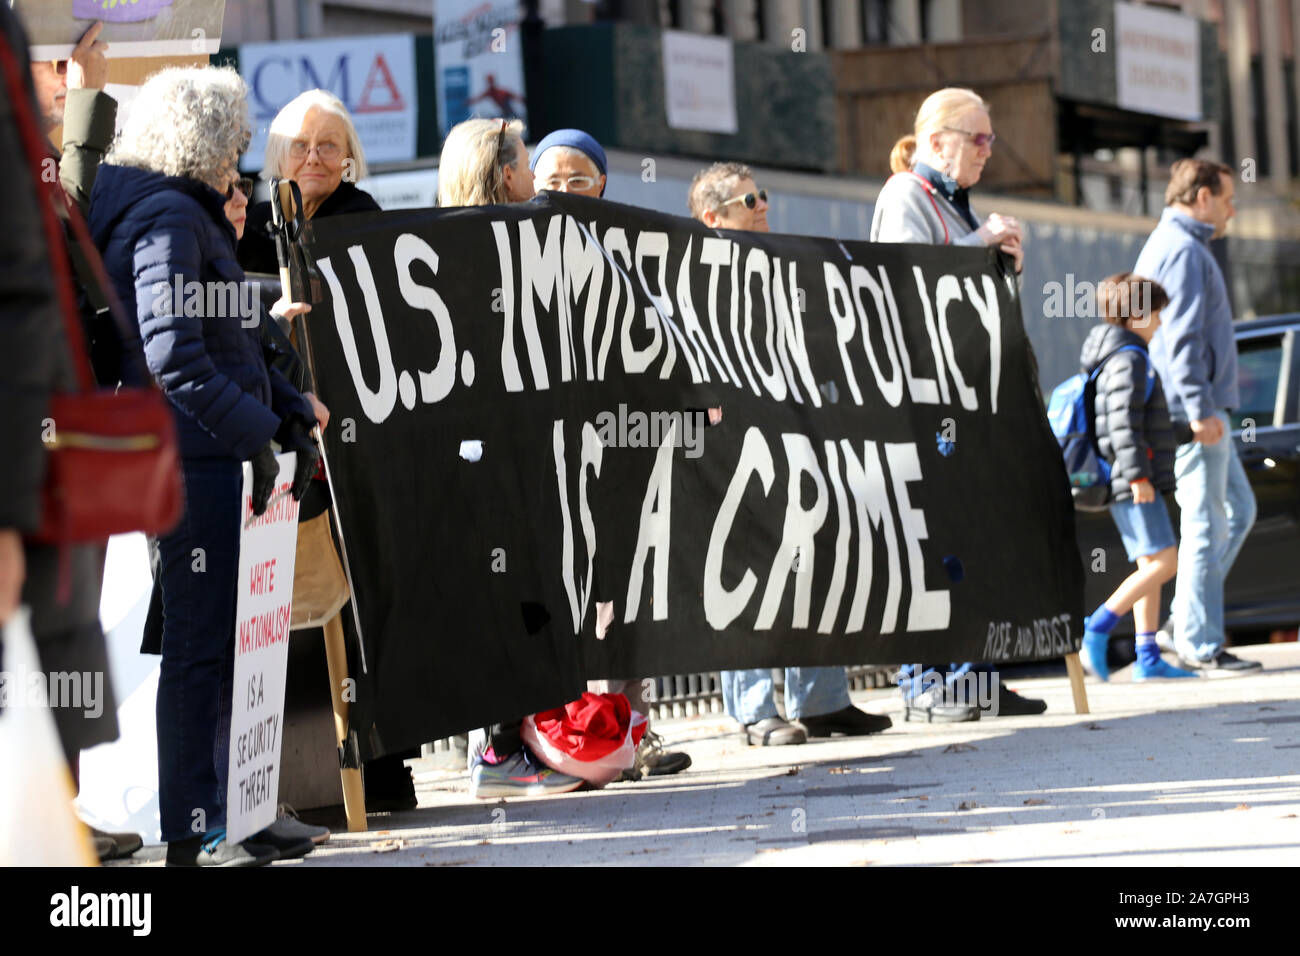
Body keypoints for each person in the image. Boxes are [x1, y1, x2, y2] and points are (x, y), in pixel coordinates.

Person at [90, 66, 324, 866]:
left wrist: (283, 409)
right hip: (197, 464)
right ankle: (199, 829)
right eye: (233, 137)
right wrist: (258, 432)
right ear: (205, 138)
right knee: (201, 649)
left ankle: (241, 812)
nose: (241, 153)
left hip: (212, 456)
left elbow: (222, 334)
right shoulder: (168, 217)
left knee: (230, 644)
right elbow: (174, 359)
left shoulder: (178, 214)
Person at [689, 161, 893, 746]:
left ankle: (821, 701)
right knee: (742, 573)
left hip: (794, 438)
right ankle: (755, 711)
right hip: (732, 447)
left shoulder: (780, 270)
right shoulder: (694, 278)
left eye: (763, 195)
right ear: (713, 217)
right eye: (748, 200)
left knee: (810, 564)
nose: (762, 205)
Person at [872, 87, 1045, 722]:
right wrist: (982, 244)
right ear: (937, 141)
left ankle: (973, 677)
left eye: (991, 139)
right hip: (926, 400)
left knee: (976, 539)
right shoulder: (905, 196)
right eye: (978, 139)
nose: (987, 151)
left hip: (970, 399)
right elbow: (906, 277)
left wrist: (1007, 266)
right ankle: (925, 682)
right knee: (937, 538)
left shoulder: (956, 206)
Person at [528, 128, 691, 779]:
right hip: (546, 454)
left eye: (578, 179)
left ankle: (632, 730)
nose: (565, 192)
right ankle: (561, 740)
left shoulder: (632, 251)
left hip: (621, 448)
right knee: (555, 597)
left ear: (602, 184)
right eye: (552, 181)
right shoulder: (515, 251)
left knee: (623, 594)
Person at [438, 117, 586, 798]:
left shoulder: (447, 246)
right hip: (492, 461)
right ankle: (496, 754)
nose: (535, 178)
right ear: (504, 174)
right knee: (506, 598)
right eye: (526, 163)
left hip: (503, 453)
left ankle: (520, 740)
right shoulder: (496, 247)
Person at [1134, 159, 1261, 676]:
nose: (1233, 209)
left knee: (1236, 510)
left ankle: (1183, 623)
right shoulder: (1184, 251)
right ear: (1202, 197)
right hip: (1195, 411)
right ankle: (1198, 643)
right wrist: (1200, 410)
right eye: (1228, 198)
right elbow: (1179, 338)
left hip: (1197, 408)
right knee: (1208, 521)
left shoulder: (1179, 245)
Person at [1077, 275, 1198, 682]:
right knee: (1166, 561)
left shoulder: (1122, 356)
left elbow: (1145, 423)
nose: (1160, 322)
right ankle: (1097, 627)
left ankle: (1147, 656)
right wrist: (1137, 476)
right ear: (1137, 313)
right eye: (1157, 313)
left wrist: (1188, 431)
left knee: (1150, 562)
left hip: (1132, 476)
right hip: (1134, 480)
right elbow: (1122, 425)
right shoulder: (1129, 359)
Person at [238, 89, 381, 276]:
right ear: (279, 157)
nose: (313, 158)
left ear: (349, 157)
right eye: (300, 145)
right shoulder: (260, 220)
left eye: (329, 145)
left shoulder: (363, 219)